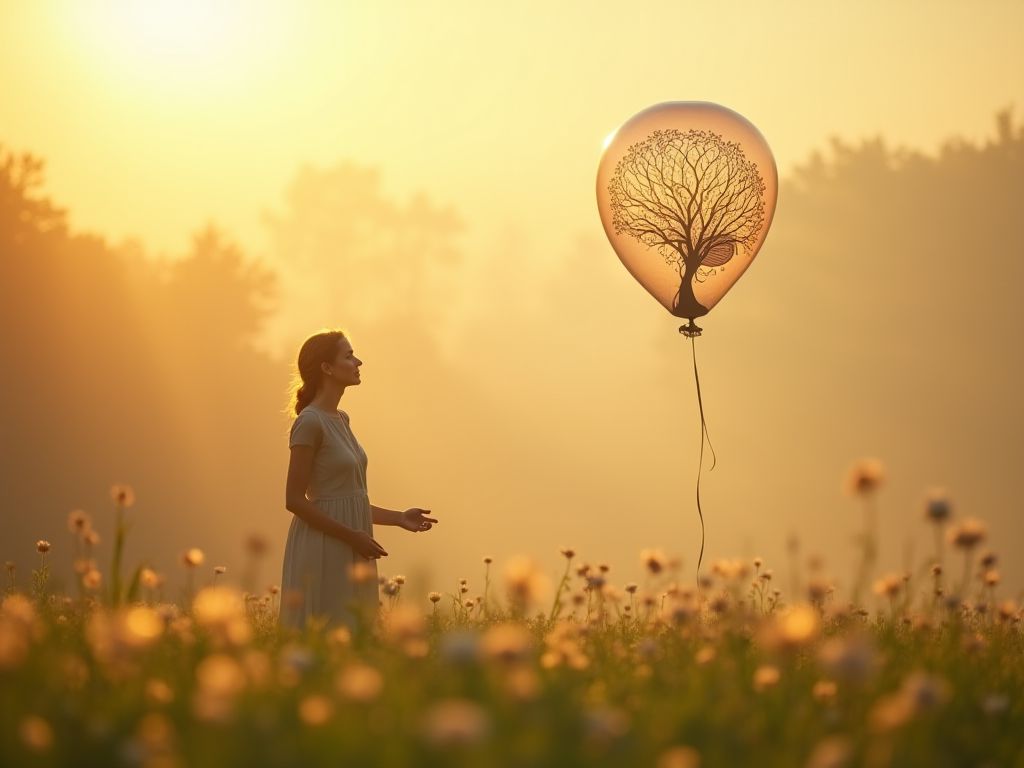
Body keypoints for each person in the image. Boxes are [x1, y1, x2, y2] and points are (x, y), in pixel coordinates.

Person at [280, 329, 437, 631]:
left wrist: (399, 518)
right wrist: (351, 536)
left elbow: (348, 499)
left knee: (356, 632)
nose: (358, 362)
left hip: (353, 541)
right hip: (323, 546)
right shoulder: (309, 422)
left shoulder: (343, 419)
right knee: (326, 632)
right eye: (349, 356)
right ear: (326, 368)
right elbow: (295, 500)